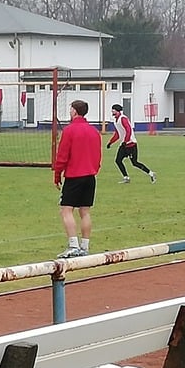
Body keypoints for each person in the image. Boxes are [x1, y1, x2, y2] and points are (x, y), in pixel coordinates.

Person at [53, 100, 103, 258]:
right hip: (90, 176)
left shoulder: (69, 130)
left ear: (74, 111)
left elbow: (62, 155)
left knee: (66, 210)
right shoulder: (94, 132)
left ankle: (73, 245)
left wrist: (57, 174)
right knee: (85, 211)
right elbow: (98, 155)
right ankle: (85, 247)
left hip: (74, 176)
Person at [107, 104, 156, 184]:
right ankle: (126, 177)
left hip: (131, 145)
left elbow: (128, 130)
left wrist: (125, 141)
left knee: (135, 163)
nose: (112, 111)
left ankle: (151, 174)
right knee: (118, 160)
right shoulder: (116, 120)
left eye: (113, 109)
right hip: (123, 145)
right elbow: (118, 133)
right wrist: (110, 142)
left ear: (118, 111)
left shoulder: (123, 119)